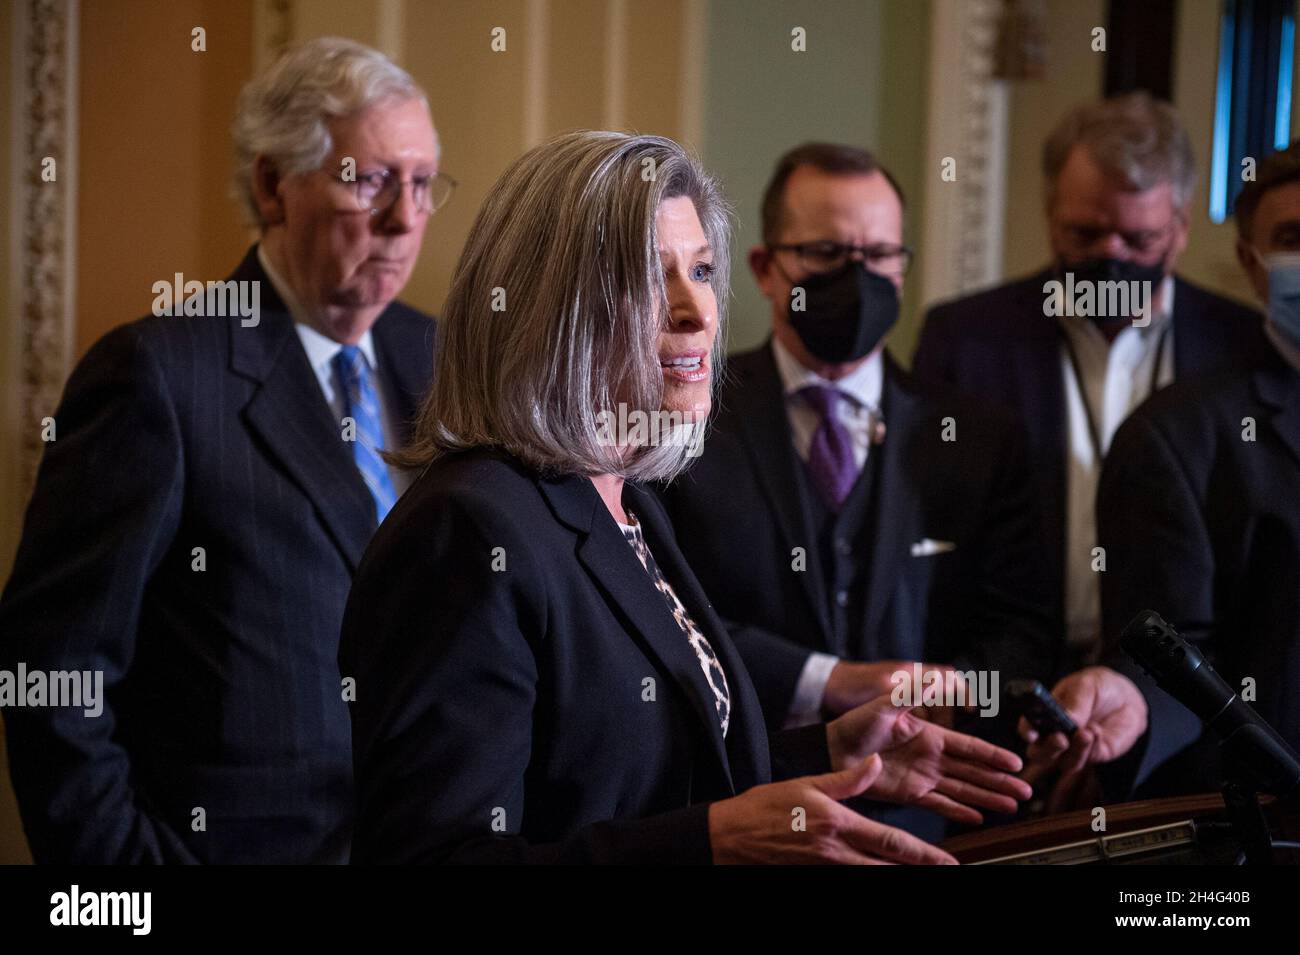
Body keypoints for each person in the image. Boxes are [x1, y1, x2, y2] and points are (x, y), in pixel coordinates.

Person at [341, 130, 1031, 864]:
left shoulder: (627, 504)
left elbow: (645, 780)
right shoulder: (468, 530)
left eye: (700, 269)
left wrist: (827, 755)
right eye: (648, 275)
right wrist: (714, 842)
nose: (695, 310)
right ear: (547, 307)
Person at [0, 37, 442, 863]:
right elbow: (51, 683)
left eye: (422, 184)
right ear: (275, 185)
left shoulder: (441, 362)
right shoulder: (157, 376)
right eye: (372, 180)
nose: (403, 219)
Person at [656, 144, 1054, 832]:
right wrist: (827, 679)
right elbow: (663, 620)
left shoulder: (980, 438)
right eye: (826, 253)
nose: (857, 277)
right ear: (764, 269)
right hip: (733, 802)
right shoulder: (683, 421)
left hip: (927, 815)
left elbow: (1022, 628)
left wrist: (949, 689)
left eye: (878, 257)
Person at [914, 93, 1264, 672]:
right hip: (1010, 678)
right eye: (1084, 234)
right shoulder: (966, 340)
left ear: (1179, 228)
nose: (1112, 257)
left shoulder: (1241, 346)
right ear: (1051, 218)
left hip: (1189, 692)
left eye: (1138, 239)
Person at [1026, 143, 1300, 805]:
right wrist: (1132, 698)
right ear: (1250, 262)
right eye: (1293, 237)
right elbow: (1171, 655)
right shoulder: (1178, 436)